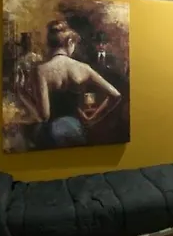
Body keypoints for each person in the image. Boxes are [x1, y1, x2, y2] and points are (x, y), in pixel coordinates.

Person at [18, 20, 122, 149]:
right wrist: (92, 120)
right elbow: (115, 95)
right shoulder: (84, 68)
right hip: (77, 132)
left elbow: (44, 116)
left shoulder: (40, 70)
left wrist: (23, 95)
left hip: (50, 136)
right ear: (69, 42)